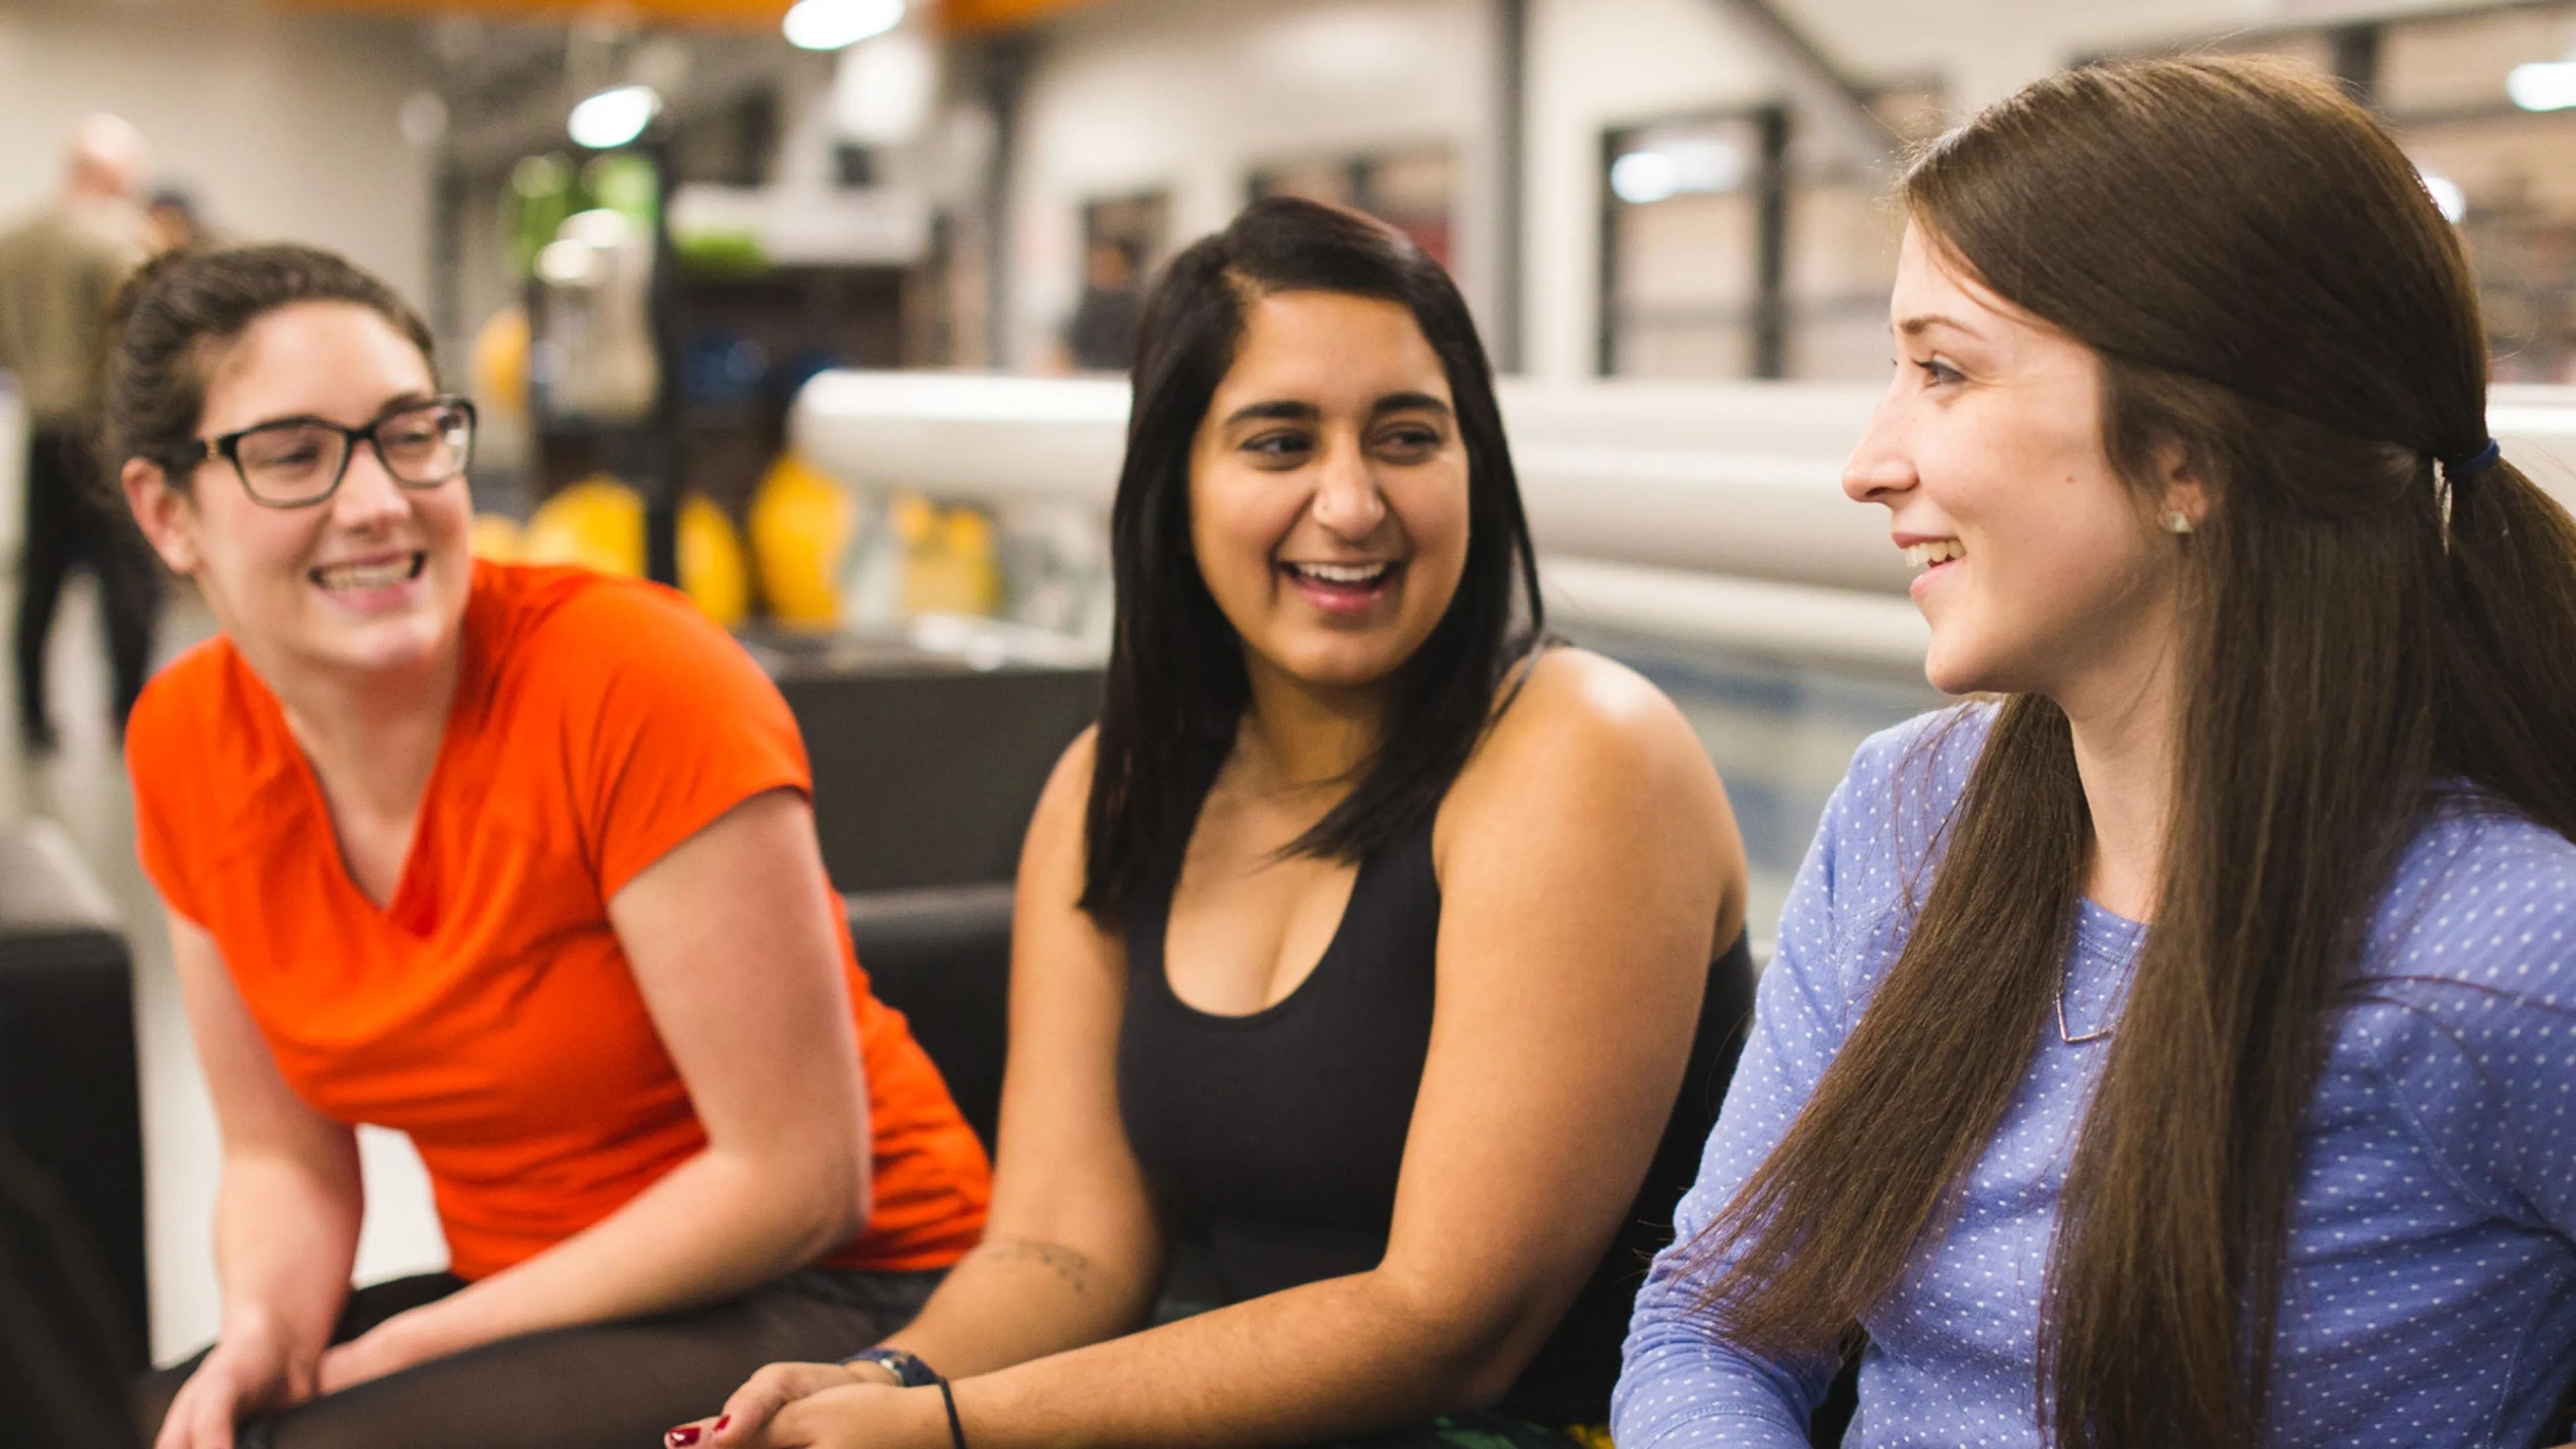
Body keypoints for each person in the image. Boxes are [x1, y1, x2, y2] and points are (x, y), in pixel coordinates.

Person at [676, 195, 1753, 1449]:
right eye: (1279, 444)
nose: (1351, 504)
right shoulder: (1113, 792)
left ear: (1476, 468)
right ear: (1176, 481)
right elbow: (1067, 1248)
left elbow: (1455, 1321)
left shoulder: (1581, 754)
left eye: (1407, 437)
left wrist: (956, 1429)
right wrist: (890, 1381)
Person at [1615, 56, 2576, 1448]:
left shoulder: (2504, 947)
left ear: (2188, 454)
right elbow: (1715, 1321)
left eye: (1942, 372)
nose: (1870, 461)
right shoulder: (1908, 815)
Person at [108, 244, 992, 1449]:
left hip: (868, 1287)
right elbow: (280, 1157)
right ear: (169, 512)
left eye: (409, 434)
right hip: (554, 1299)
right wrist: (266, 1328)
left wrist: (415, 1345)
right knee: (156, 1420)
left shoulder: (632, 680)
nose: (375, 500)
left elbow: (796, 1181)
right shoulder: (184, 742)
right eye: (295, 456)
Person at [0, 113, 160, 750]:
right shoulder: (120, 238)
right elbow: (143, 339)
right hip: (105, 434)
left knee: (40, 578)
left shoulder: (14, 243)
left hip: (44, 429)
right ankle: (127, 715)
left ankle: (34, 719)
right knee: (127, 580)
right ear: (114, 175)